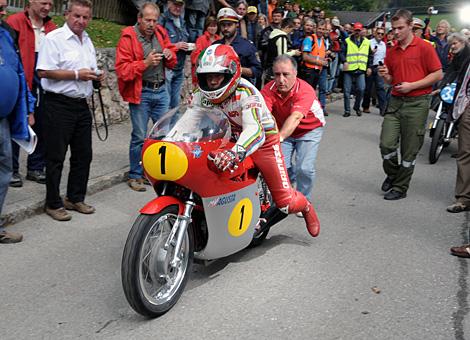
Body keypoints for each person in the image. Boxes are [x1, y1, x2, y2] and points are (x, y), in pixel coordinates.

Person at [194, 44, 320, 237]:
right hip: (227, 137)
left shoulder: (246, 92)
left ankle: (305, 205)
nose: (211, 82)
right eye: (208, 76)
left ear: (231, 74)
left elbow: (254, 130)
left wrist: (235, 152)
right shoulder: (199, 94)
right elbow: (190, 120)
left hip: (263, 142)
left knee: (285, 203)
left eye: (217, 76)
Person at [37, 0, 103, 220]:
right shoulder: (53, 39)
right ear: (67, 14)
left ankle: (75, 198)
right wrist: (77, 75)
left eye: (85, 17)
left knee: (84, 155)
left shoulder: (87, 40)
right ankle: (53, 203)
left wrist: (96, 75)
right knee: (55, 156)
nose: (81, 21)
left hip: (81, 104)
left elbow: (90, 69)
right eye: (77, 16)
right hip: (58, 104)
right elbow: (44, 72)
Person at [378, 9, 442, 200]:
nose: (396, 32)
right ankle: (393, 173)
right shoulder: (392, 51)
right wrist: (386, 76)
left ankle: (400, 187)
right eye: (394, 28)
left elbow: (438, 74)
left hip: (417, 103)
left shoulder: (424, 47)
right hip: (396, 102)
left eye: (400, 28)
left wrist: (412, 86)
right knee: (386, 144)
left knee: (409, 149)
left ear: (410, 26)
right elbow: (391, 79)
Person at [116, 2, 177, 192]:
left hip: (161, 91)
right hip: (141, 92)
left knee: (162, 136)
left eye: (155, 20)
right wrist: (145, 63)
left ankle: (154, 173)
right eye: (148, 20)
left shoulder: (160, 34)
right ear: (139, 19)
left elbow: (173, 61)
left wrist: (169, 54)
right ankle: (135, 175)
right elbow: (122, 71)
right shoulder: (128, 36)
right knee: (139, 136)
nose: (151, 24)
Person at [261, 55, 324, 208]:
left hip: (309, 130)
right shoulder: (268, 90)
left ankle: (303, 201)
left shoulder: (305, 90)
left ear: (295, 74)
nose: (281, 80)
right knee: (281, 167)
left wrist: (279, 137)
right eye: (277, 74)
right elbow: (263, 115)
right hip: (283, 131)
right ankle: (288, 192)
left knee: (305, 168)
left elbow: (296, 117)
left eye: (286, 74)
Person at [7, 0, 56, 187]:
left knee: (43, 122)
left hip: (44, 78)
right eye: (44, 3)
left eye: (50, 4)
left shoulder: (52, 27)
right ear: (31, 2)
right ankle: (11, 169)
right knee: (17, 123)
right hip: (21, 77)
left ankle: (36, 167)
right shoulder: (15, 22)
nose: (47, 8)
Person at [0, 0, 33, 243]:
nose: (4, 11)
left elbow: (18, 72)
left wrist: (27, 106)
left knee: (4, 171)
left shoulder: (5, 33)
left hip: (3, 119)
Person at [443, 33, 470, 213]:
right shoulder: (465, 55)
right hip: (467, 105)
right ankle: (463, 198)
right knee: (465, 151)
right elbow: (455, 73)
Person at [214, 7, 261, 84]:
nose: (226, 28)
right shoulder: (215, 46)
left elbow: (257, 71)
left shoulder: (247, 46)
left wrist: (238, 69)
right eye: (223, 25)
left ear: (237, 25)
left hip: (240, 88)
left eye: (229, 25)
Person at [159, 0, 189, 109]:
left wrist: (189, 47)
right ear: (169, 4)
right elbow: (157, 43)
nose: (178, 8)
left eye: (180, 5)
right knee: (165, 105)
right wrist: (176, 46)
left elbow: (184, 41)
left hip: (179, 68)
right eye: (175, 5)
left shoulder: (182, 21)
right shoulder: (162, 19)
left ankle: (174, 126)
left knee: (175, 105)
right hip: (166, 69)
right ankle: (164, 126)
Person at [340, 22, 373, 117]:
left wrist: (369, 67)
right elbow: (341, 53)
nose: (357, 32)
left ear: (362, 30)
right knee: (346, 91)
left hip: (360, 69)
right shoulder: (347, 41)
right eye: (356, 30)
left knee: (362, 89)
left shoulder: (367, 42)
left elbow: (370, 56)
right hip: (349, 69)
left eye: (359, 30)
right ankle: (347, 111)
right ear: (353, 30)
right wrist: (344, 61)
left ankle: (357, 106)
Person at [264, 17, 300, 82]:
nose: (291, 32)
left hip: (269, 66)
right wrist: (294, 52)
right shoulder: (282, 37)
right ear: (287, 27)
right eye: (291, 30)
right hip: (275, 68)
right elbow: (282, 56)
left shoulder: (273, 34)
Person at [362, 27, 387, 115]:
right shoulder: (369, 42)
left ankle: (383, 109)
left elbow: (384, 57)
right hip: (370, 67)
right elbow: (366, 56)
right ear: (375, 34)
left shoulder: (384, 44)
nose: (380, 35)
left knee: (380, 88)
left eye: (382, 34)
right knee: (368, 88)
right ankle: (365, 106)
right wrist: (368, 67)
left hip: (379, 67)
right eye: (378, 33)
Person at [190, 16, 220, 86]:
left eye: (214, 26)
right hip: (204, 70)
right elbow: (195, 57)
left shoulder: (219, 39)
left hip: (216, 70)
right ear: (206, 27)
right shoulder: (201, 39)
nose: (212, 28)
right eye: (210, 26)